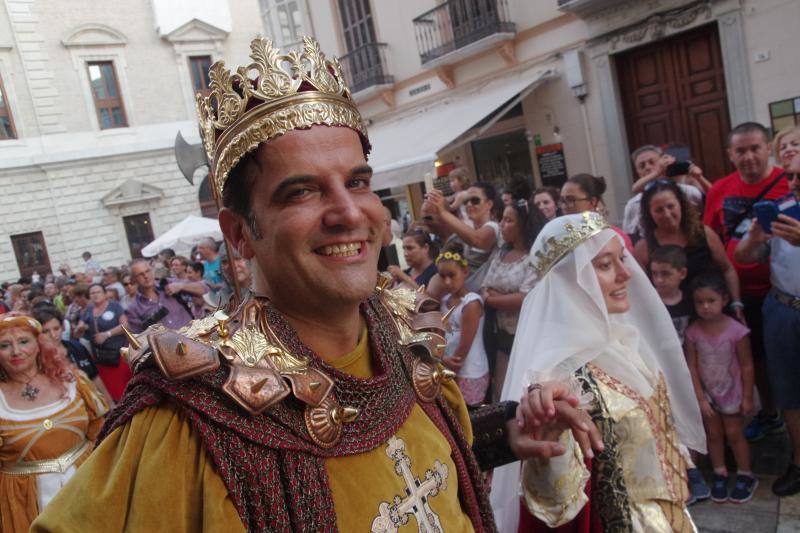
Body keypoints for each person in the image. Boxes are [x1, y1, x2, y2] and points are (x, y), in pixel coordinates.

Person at [33, 37, 598, 532]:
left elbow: (408, 465)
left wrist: (507, 435)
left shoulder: (408, 341)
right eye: (301, 191)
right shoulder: (193, 417)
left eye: (357, 181)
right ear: (240, 235)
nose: (348, 212)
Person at [491, 211, 705, 532]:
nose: (626, 273)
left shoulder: (626, 341)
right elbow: (556, 503)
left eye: (622, 259)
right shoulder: (557, 377)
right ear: (568, 282)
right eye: (605, 265)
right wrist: (550, 443)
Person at [704, 122, 789, 441]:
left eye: (756, 148)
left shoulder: (788, 182)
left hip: (781, 290)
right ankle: (770, 413)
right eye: (741, 150)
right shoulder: (719, 190)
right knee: (756, 359)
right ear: (730, 154)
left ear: (769, 148)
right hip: (740, 292)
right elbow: (710, 237)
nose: (749, 156)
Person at [0, 313, 108, 531]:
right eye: (4, 345)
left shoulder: (73, 381)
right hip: (25, 503)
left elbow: (102, 435)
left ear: (38, 345)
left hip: (87, 489)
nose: (16, 352)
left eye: (23, 341)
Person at [735, 153, 800, 496]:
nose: (794, 183)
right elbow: (743, 258)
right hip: (784, 308)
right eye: (790, 176)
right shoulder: (781, 208)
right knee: (789, 391)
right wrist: (755, 238)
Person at [685, 272, 756, 504]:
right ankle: (719, 472)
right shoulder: (693, 332)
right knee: (713, 435)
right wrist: (700, 399)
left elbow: (746, 365)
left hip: (731, 392)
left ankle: (745, 474)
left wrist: (747, 396)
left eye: (711, 301)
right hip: (708, 393)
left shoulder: (737, 331)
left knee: (734, 434)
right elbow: (692, 367)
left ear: (724, 300)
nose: (705, 307)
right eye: (699, 302)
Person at [634, 180, 742, 316]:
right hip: (674, 322)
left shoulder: (705, 234)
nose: (667, 214)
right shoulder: (644, 248)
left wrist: (736, 303)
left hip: (712, 316)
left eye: (670, 206)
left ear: (681, 205)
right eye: (659, 210)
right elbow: (641, 291)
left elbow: (727, 269)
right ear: (649, 213)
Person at [480, 201, 544, 401]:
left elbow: (525, 298)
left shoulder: (534, 257)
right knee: (503, 388)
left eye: (508, 220)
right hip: (501, 334)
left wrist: (494, 299)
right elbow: (485, 286)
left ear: (523, 225)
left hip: (525, 333)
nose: (501, 224)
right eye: (502, 219)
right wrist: (500, 298)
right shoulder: (501, 253)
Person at [437, 243, 490, 406]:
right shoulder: (445, 300)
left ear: (465, 272)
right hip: (449, 367)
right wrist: (442, 359)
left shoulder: (471, 303)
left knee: (469, 415)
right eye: (442, 276)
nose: (447, 281)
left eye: (452, 275)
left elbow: (463, 348)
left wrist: (449, 367)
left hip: (469, 371)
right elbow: (442, 334)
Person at [427, 181, 501, 292]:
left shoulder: (494, 227)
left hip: (482, 297)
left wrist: (442, 212)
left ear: (489, 204)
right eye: (466, 201)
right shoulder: (469, 228)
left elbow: (477, 240)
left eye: (475, 200)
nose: (470, 204)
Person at [622, 145, 705, 240]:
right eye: (642, 166)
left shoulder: (687, 191)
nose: (648, 167)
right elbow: (629, 236)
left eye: (652, 162)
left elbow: (706, 206)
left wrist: (695, 178)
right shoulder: (632, 204)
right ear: (637, 172)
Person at [33, 306, 112, 404]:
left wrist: (110, 404)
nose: (53, 335)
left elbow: (94, 377)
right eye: (45, 332)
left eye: (56, 328)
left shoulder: (77, 347)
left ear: (63, 327)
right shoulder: (35, 359)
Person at [78, 284, 131, 401]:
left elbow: (126, 325)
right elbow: (78, 330)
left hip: (118, 354)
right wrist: (80, 329)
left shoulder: (115, 306)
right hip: (100, 358)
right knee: (110, 391)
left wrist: (107, 334)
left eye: (98, 292)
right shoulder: (88, 310)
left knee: (124, 388)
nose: (95, 295)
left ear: (105, 294)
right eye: (92, 293)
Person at [560, 173, 634, 251]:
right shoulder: (561, 237)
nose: (564, 207)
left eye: (571, 200)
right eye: (562, 201)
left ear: (593, 202)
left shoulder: (615, 237)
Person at [125, 259, 195, 333]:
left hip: (193, 337)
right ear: (133, 279)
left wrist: (181, 286)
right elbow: (139, 338)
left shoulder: (167, 283)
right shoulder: (133, 309)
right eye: (140, 274)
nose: (146, 276)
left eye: (147, 271)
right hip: (171, 344)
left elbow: (205, 287)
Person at [649, 245, 692, 343]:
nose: (659, 280)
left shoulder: (690, 301)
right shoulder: (648, 301)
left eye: (665, 273)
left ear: (682, 273)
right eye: (654, 273)